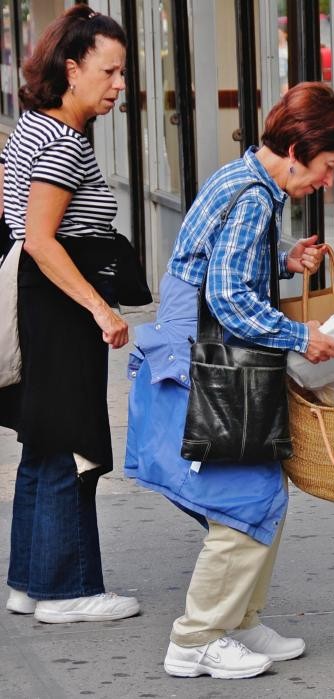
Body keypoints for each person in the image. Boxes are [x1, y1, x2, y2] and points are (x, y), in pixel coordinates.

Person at [124, 81, 334, 680]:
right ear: (297, 149)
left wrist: (283, 259)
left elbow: (215, 260)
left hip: (204, 362)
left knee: (258, 493)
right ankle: (197, 638)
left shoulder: (242, 181)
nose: (328, 182)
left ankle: (238, 620)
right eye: (329, 167)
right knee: (245, 499)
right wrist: (302, 337)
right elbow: (229, 297)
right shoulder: (254, 198)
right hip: (214, 366)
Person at [0, 5, 145, 624]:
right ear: (72, 67)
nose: (119, 84)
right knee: (69, 443)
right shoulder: (60, 141)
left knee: (44, 444)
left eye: (122, 73)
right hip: (59, 308)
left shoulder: (31, 129)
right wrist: (100, 309)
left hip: (36, 303)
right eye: (109, 71)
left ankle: (30, 583)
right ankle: (69, 591)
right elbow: (40, 237)